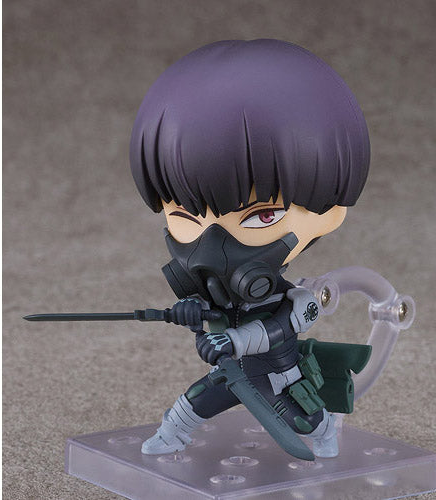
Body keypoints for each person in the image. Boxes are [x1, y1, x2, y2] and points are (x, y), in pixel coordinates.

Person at [129, 39, 371, 458]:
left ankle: (326, 427)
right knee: (192, 403)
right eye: (185, 214)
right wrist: (189, 312)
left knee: (305, 420)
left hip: (279, 378)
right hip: (232, 373)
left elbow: (279, 329)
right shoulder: (216, 290)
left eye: (261, 216)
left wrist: (236, 341)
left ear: (329, 211)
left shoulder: (299, 300)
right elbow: (208, 314)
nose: (212, 249)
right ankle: (171, 434)